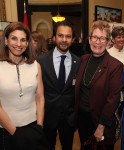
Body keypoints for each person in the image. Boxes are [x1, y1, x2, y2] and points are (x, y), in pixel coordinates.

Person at [0, 22, 50, 150]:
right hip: (7, 130)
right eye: (14, 38)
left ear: (27, 44)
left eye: (23, 40)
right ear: (5, 41)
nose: (18, 44)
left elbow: (40, 98)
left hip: (34, 128)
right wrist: (15, 133)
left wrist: (39, 125)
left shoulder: (35, 66)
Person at [75, 20, 124, 150]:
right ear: (90, 39)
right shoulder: (84, 59)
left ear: (108, 42)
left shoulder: (115, 66)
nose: (97, 42)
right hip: (82, 118)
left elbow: (113, 99)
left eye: (102, 38)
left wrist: (101, 126)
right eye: (95, 37)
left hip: (100, 120)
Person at [37, 20, 80, 150]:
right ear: (54, 37)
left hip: (68, 118)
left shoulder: (78, 62)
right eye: (60, 35)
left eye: (68, 36)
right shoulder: (41, 60)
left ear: (73, 39)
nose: (64, 39)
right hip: (47, 116)